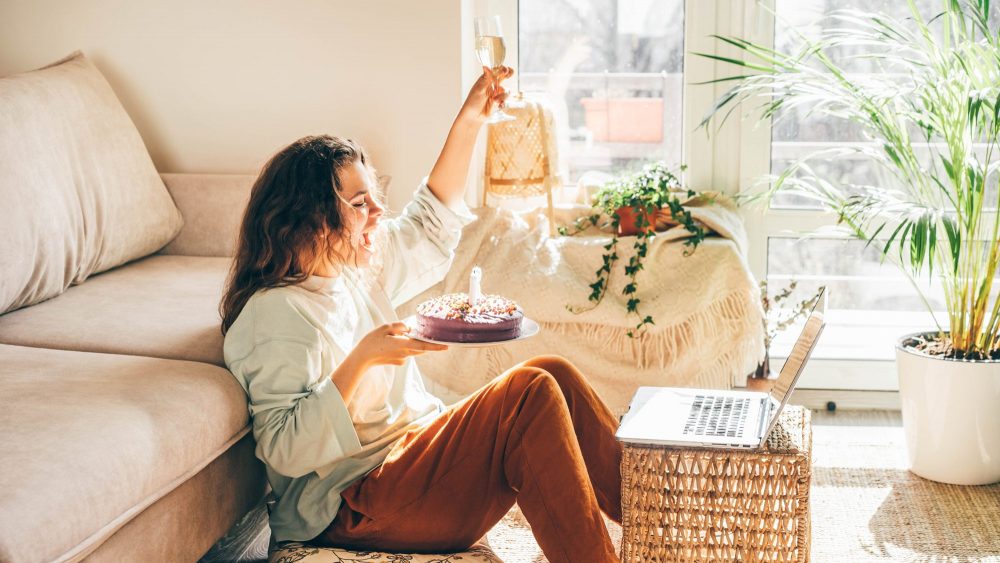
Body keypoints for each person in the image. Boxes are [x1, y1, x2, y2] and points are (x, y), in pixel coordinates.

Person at [219, 67, 623, 563]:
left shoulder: (349, 272)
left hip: (408, 464)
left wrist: (471, 120)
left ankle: (653, 518)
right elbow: (283, 450)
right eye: (360, 202)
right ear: (310, 218)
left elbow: (430, 220)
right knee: (529, 395)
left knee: (551, 373)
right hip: (355, 507)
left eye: (375, 199)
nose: (377, 214)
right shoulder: (275, 314)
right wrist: (362, 361)